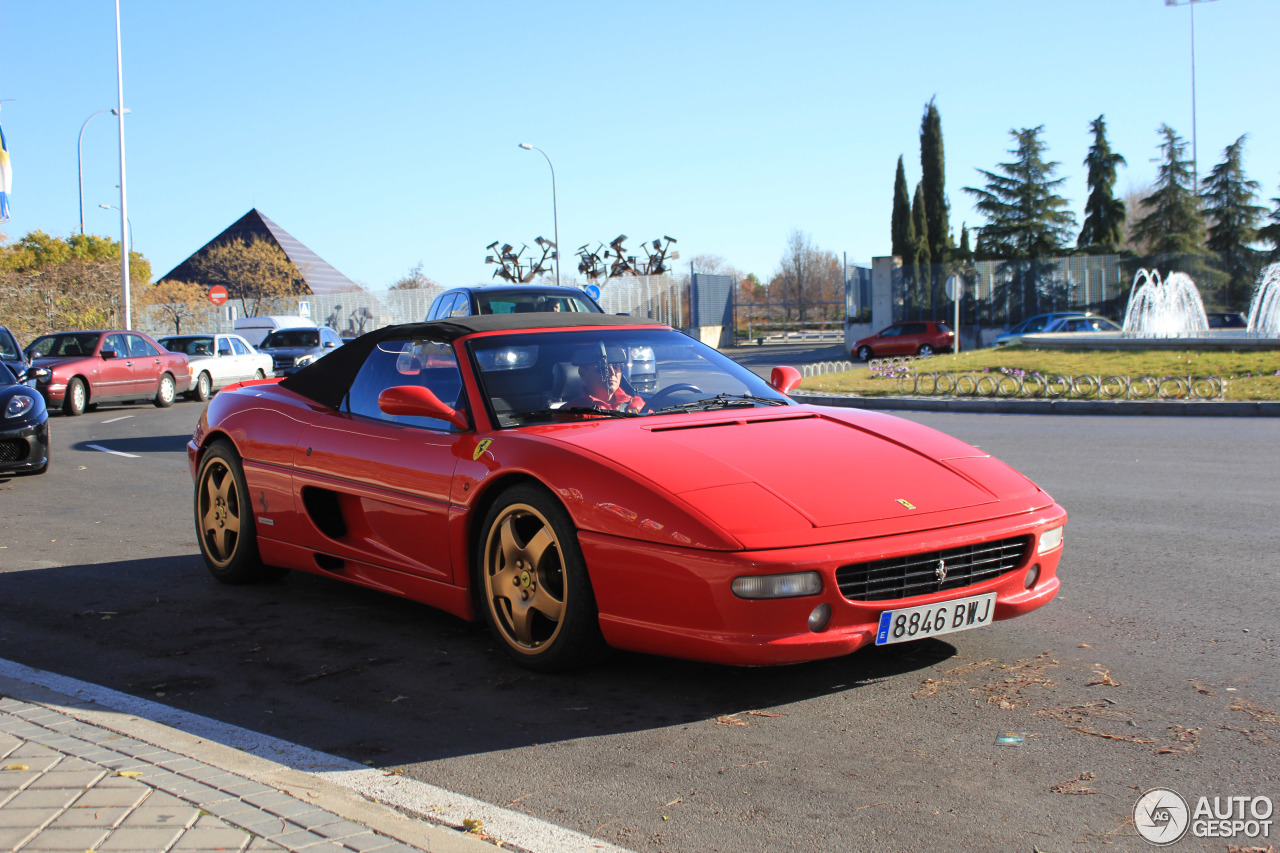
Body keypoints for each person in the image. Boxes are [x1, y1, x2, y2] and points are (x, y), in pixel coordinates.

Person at [566, 343, 645, 412]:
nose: (612, 373)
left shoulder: (636, 404)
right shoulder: (569, 412)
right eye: (603, 368)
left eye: (615, 366)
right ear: (582, 373)